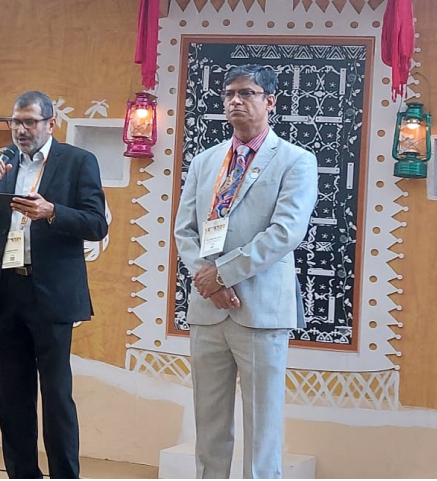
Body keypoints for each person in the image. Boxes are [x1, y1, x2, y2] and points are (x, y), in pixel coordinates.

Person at [173, 65, 318, 479]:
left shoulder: (295, 160)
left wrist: (222, 274)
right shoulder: (205, 161)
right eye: (229, 93)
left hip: (260, 310)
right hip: (208, 309)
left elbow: (285, 232)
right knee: (209, 424)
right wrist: (208, 280)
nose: (235, 100)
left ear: (270, 101)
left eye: (247, 93)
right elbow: (185, 230)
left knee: (262, 429)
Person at [0, 91, 107, 479]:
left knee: (56, 395)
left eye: (30, 122)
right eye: (16, 122)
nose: (21, 130)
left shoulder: (78, 161)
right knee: (12, 396)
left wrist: (52, 211)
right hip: (7, 292)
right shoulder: (5, 163)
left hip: (51, 294)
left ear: (51, 123)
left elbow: (97, 224)